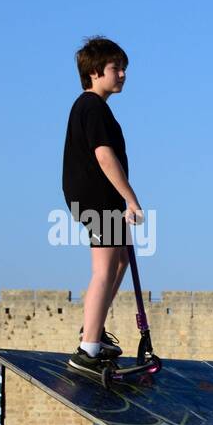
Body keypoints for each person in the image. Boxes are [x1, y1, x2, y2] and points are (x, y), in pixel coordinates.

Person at [62, 35, 144, 377]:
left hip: (98, 197)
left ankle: (92, 331)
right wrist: (130, 197)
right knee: (104, 268)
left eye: (124, 68)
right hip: (97, 197)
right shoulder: (92, 106)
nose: (123, 74)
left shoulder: (97, 108)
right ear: (95, 72)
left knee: (120, 260)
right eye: (116, 68)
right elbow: (104, 155)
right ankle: (87, 349)